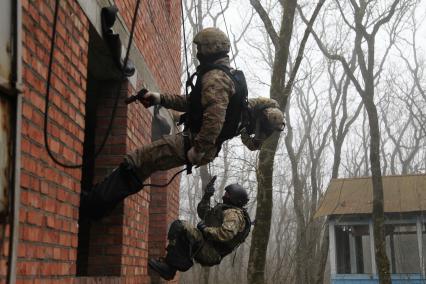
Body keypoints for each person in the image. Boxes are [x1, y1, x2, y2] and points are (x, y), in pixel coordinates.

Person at [80, 27, 284, 219]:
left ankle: (91, 205)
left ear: (210, 49)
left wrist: (198, 149)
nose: (197, 53)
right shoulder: (225, 78)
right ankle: (98, 206)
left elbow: (214, 119)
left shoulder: (216, 78)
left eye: (200, 49)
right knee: (143, 165)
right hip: (199, 143)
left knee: (138, 159)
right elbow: (194, 102)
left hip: (195, 143)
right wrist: (160, 98)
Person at [148, 177, 251, 280]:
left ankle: (169, 268)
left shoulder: (234, 214)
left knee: (180, 226)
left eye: (228, 194)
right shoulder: (225, 210)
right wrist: (207, 196)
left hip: (212, 252)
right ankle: (172, 266)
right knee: (182, 232)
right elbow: (203, 213)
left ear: (235, 198)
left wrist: (205, 229)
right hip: (207, 247)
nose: (225, 195)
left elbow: (225, 234)